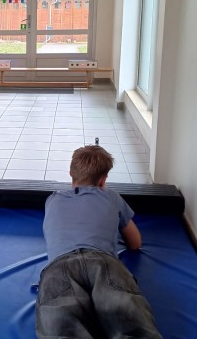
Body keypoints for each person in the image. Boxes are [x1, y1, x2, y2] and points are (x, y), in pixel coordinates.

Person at [35, 145, 162, 339]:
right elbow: (135, 242)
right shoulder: (112, 197)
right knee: (129, 318)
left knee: (60, 324)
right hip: (104, 262)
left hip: (60, 265)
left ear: (70, 172)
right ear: (103, 180)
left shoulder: (53, 199)